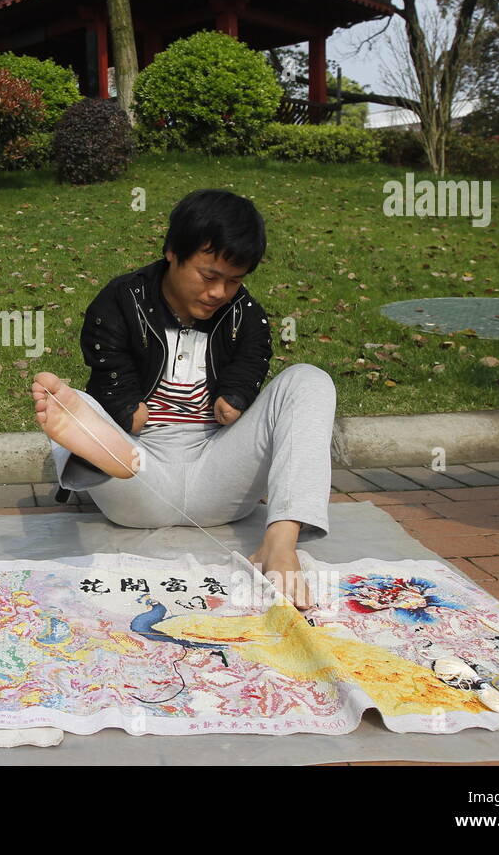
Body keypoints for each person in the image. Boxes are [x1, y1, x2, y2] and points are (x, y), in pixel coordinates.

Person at [32, 189, 337, 610]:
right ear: (172, 253)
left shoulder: (245, 313)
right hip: (140, 476)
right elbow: (112, 373)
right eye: (209, 276)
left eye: (234, 280)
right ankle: (107, 448)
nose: (219, 293)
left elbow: (251, 362)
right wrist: (124, 410)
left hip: (218, 473)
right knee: (75, 402)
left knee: (309, 380)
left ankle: (280, 542)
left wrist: (238, 395)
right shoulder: (121, 301)